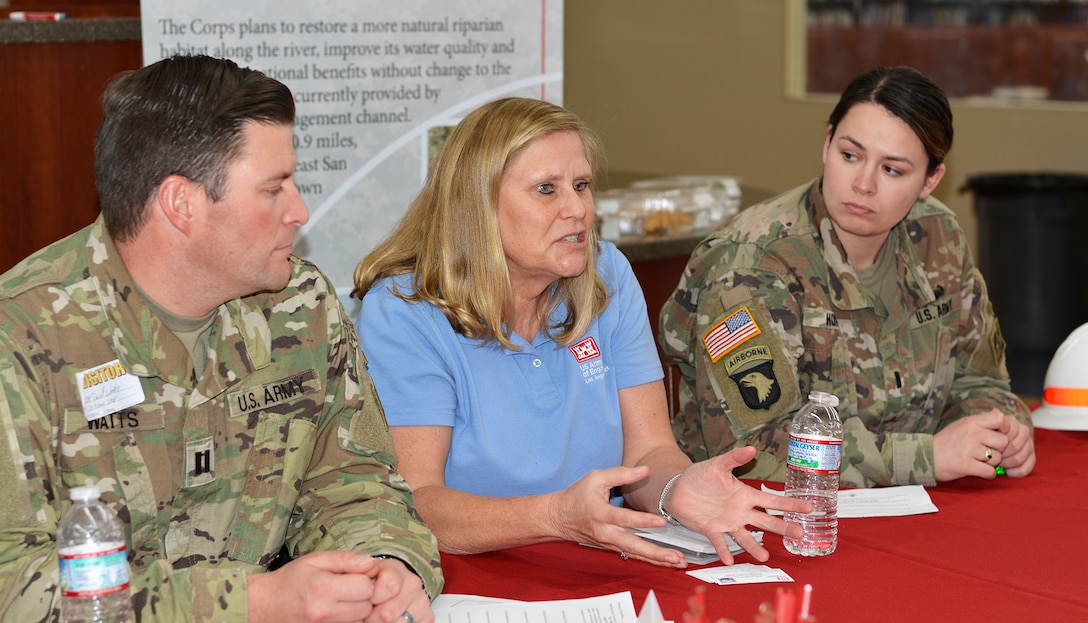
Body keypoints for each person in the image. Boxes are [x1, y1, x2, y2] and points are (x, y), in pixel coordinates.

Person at [0, 55, 441, 622]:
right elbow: (12, 580)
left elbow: (354, 480)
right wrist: (249, 603)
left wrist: (384, 567)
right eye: (273, 188)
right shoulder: (23, 333)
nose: (300, 212)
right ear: (182, 204)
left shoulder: (298, 306)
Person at [350, 96, 811, 569]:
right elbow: (418, 502)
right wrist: (556, 515)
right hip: (468, 573)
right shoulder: (405, 311)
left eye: (582, 185)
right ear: (477, 206)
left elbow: (648, 450)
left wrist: (676, 490)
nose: (578, 209)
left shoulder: (607, 273)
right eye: (546, 189)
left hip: (594, 560)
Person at [659, 66, 1036, 488]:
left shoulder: (938, 236)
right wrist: (927, 457)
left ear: (931, 180)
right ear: (826, 144)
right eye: (850, 155)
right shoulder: (751, 264)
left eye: (892, 170)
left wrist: (994, 432)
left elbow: (980, 377)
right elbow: (754, 448)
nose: (863, 184)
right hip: (768, 514)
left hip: (911, 507)